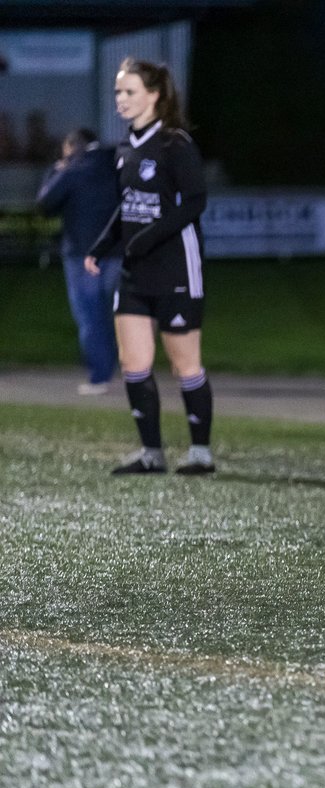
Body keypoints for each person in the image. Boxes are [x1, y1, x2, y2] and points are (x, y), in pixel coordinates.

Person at [86, 58, 214, 476]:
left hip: (177, 269)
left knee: (184, 365)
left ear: (154, 95)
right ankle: (151, 453)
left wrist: (151, 236)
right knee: (134, 365)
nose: (120, 100)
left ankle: (200, 452)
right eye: (118, 93)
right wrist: (102, 245)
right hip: (134, 273)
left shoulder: (175, 144)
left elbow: (196, 202)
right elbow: (127, 209)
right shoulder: (125, 148)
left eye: (129, 92)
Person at [35, 128, 122, 395]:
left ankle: (100, 376)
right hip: (119, 250)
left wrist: (56, 171)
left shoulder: (73, 170)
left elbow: (45, 203)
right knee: (119, 312)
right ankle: (130, 367)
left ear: (72, 146)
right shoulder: (116, 165)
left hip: (82, 254)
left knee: (90, 314)